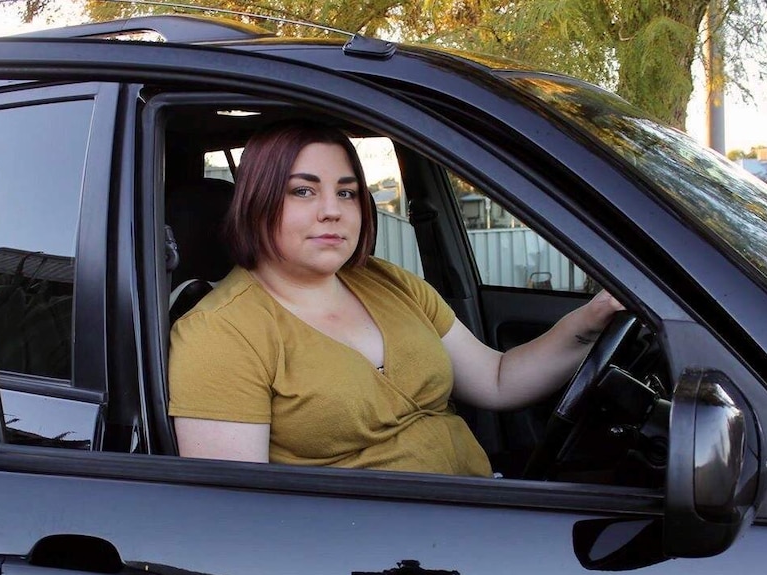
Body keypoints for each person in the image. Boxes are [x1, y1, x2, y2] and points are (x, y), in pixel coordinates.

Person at [168, 121, 623, 476]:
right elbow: (239, 512)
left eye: (346, 192)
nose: (333, 209)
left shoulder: (388, 282)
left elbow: (497, 378)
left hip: (481, 513)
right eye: (303, 191)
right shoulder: (219, 334)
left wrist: (591, 319)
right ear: (257, 201)